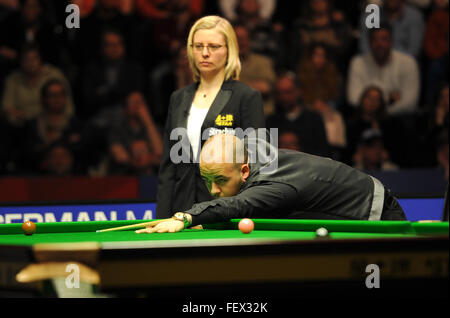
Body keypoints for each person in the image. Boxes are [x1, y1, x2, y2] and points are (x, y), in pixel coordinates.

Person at [137, 133, 406, 234]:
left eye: (220, 180)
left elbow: (237, 205)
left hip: (379, 216)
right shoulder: (252, 158)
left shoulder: (272, 185)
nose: (213, 190)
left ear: (244, 171)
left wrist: (186, 217)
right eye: (207, 180)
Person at [155, 15, 266, 219]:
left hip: (226, 210)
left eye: (214, 46)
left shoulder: (247, 97)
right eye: (198, 46)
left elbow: (261, 163)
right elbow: (169, 168)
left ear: (229, 50)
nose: (205, 53)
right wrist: (161, 218)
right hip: (181, 209)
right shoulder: (178, 98)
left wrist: (251, 213)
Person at [347, 24, 420, 116]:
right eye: (375, 40)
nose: (379, 44)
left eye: (384, 39)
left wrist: (376, 107)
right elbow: (353, 99)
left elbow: (410, 103)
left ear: (391, 42)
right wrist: (389, 100)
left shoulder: (408, 62)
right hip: (365, 118)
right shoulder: (358, 62)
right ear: (369, 43)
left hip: (398, 119)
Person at [266, 73, 330, 157]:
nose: (284, 97)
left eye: (288, 92)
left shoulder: (313, 119)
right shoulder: (271, 121)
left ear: (297, 91)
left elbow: (323, 152)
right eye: (279, 93)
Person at [107, 91, 163, 175]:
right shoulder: (117, 130)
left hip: (153, 179)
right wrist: (144, 160)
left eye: (141, 102)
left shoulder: (154, 128)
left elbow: (160, 152)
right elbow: (120, 158)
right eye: (134, 103)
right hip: (124, 178)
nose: (138, 107)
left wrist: (148, 122)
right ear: (125, 108)